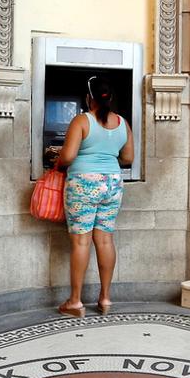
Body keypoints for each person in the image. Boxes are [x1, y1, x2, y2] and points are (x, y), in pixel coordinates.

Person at [52, 76, 134, 317]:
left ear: (89, 98)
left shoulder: (82, 120)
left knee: (81, 242)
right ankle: (105, 298)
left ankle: (75, 302)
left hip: (83, 184)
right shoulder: (122, 123)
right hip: (112, 184)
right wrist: (106, 158)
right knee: (106, 240)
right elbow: (128, 159)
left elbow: (67, 157)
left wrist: (57, 164)